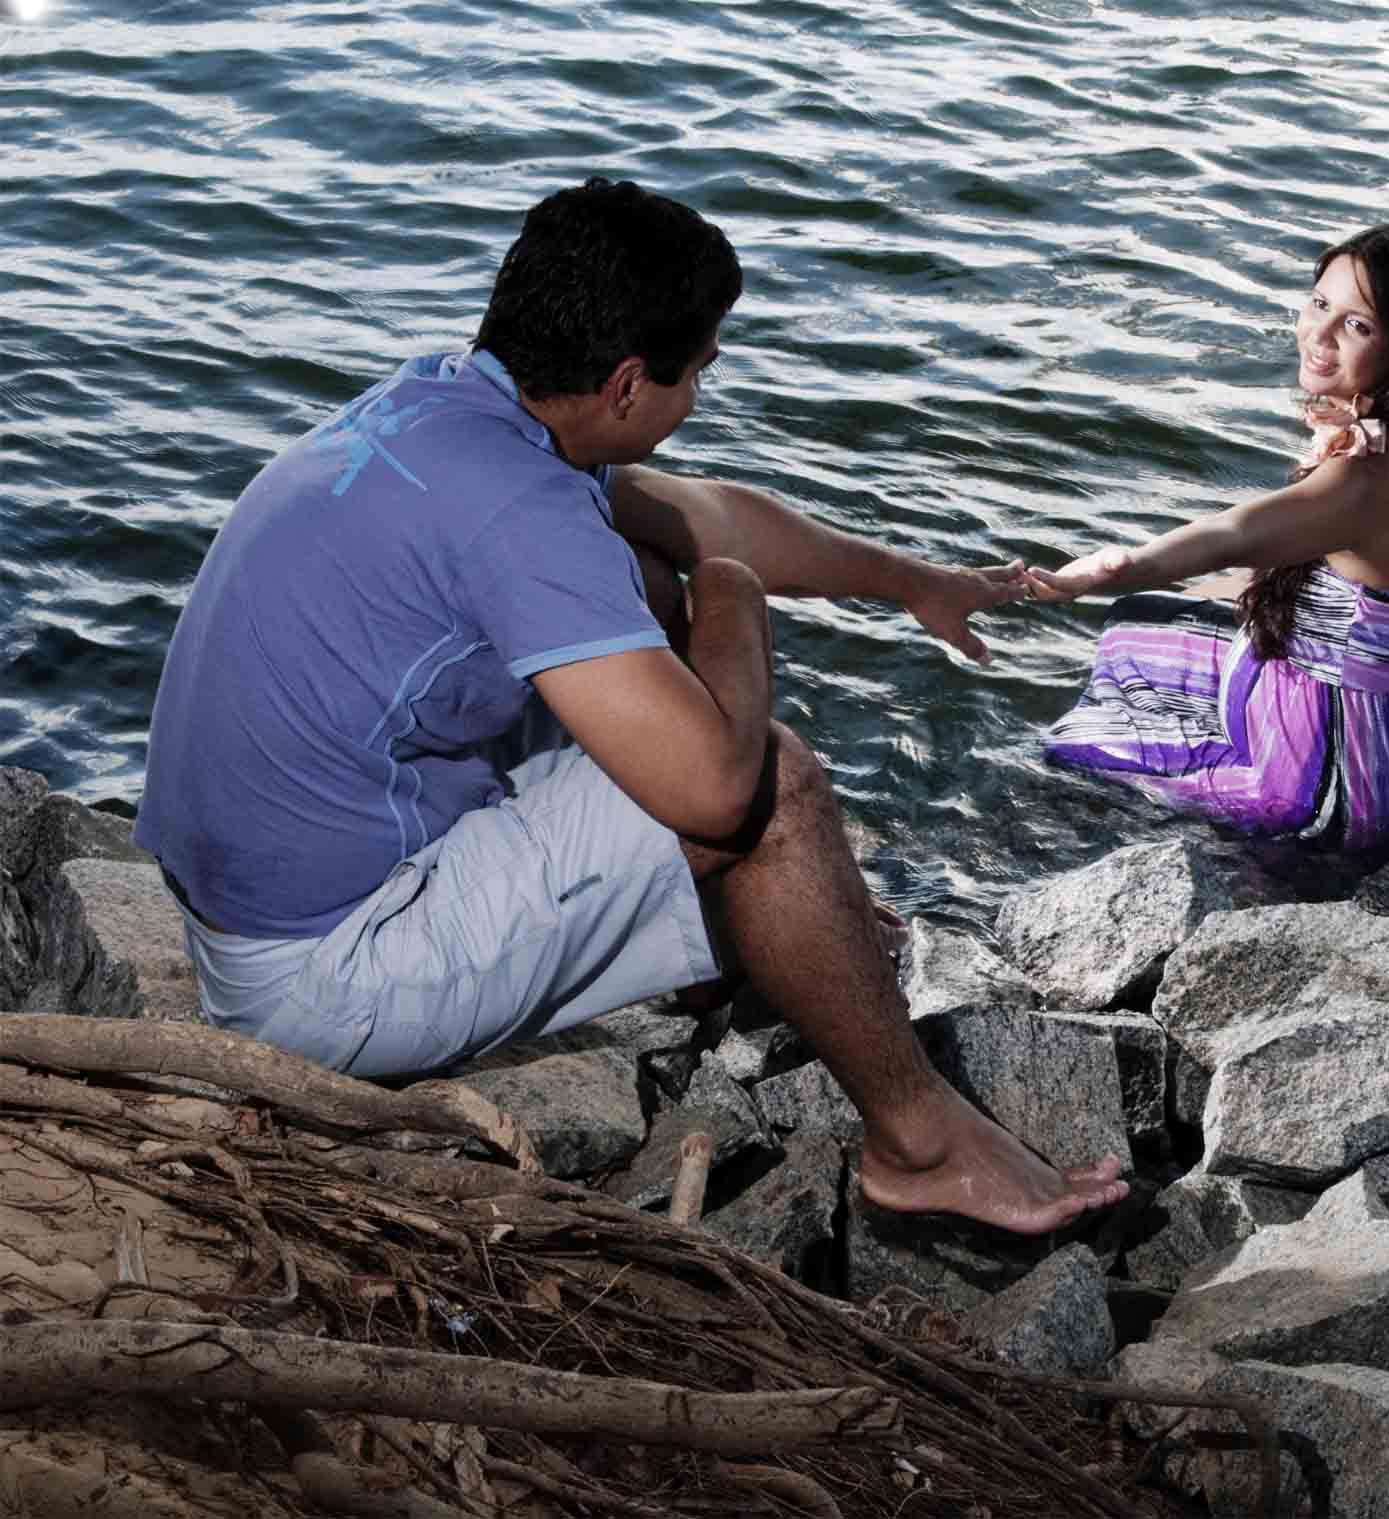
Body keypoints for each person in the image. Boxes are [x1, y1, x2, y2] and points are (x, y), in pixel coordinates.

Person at [134, 177, 1125, 1235]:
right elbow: (717, 790)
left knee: (643, 577)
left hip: (263, 901)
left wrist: (913, 581)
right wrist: (732, 600)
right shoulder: (523, 513)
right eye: (696, 372)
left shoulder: (444, 409)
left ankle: (723, 944)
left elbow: (708, 514)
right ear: (623, 385)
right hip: (321, 980)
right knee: (773, 788)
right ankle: (917, 1146)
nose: (698, 393)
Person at [1030, 223, 1389, 846]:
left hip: (1338, 757)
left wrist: (1109, 571)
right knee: (1136, 628)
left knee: (1073, 752)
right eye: (1319, 303)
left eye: (1356, 325)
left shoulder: (1369, 481)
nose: (1318, 335)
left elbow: (1234, 533)